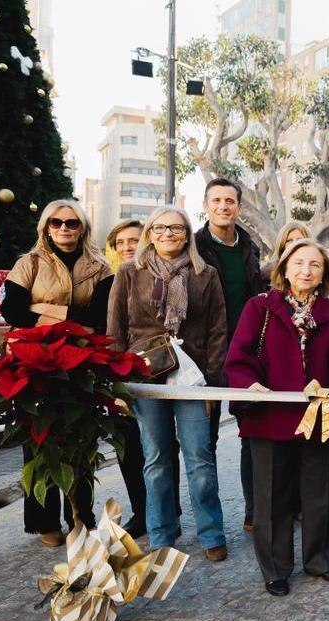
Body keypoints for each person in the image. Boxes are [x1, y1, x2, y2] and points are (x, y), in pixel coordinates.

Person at [224, 239, 329, 597]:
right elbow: (238, 354)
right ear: (284, 269)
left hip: (320, 415)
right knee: (271, 495)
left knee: (319, 492)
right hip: (270, 416)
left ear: (323, 275)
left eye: (315, 265)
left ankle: (321, 560)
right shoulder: (260, 307)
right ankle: (275, 569)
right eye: (299, 263)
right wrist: (249, 382)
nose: (306, 270)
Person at [108, 205, 229, 561]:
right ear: (150, 233)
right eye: (159, 228)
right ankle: (162, 533)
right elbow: (115, 329)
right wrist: (117, 384)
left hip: (192, 376)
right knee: (156, 458)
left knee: (200, 456)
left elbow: (218, 330)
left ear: (187, 234)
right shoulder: (130, 272)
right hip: (144, 373)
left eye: (176, 229)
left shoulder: (205, 273)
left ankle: (211, 532)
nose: (167, 235)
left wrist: (212, 383)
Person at [1, 199, 112, 545]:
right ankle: (43, 521)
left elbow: (101, 318)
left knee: (82, 438)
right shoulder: (28, 263)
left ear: (83, 228)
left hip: (81, 362)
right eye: (56, 222)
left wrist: (44, 313)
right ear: (46, 227)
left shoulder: (100, 268)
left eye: (72, 223)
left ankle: (81, 516)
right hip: (32, 362)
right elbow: (13, 310)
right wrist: (69, 320)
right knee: (38, 439)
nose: (64, 228)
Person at [194, 178, 265, 532]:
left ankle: (255, 511)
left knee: (252, 434)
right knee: (203, 443)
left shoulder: (250, 248)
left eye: (230, 201)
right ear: (206, 205)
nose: (224, 206)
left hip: (246, 355)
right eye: (217, 200)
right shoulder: (194, 246)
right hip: (204, 356)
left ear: (239, 206)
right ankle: (210, 526)